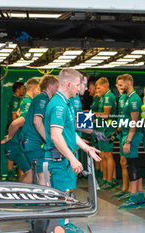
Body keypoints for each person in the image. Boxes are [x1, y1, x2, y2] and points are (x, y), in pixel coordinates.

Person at [44, 68, 101, 233]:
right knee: (60, 205)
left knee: (65, 200)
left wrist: (86, 147)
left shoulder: (66, 103)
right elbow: (56, 136)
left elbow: (70, 132)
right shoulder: (58, 105)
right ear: (68, 84)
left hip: (64, 163)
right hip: (59, 163)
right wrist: (72, 158)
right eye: (77, 85)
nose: (79, 89)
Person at [117, 74, 145, 209]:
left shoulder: (134, 99)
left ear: (128, 83)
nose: (119, 87)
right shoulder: (129, 98)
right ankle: (140, 196)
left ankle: (133, 198)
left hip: (132, 136)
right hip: (127, 134)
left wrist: (128, 141)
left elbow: (134, 122)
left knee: (132, 166)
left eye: (121, 84)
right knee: (134, 164)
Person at [22, 75, 59, 185]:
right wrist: (49, 140)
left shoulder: (43, 99)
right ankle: (45, 200)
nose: (58, 90)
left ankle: (21, 198)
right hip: (33, 143)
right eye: (56, 87)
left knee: (34, 174)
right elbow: (37, 121)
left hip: (31, 142)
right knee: (43, 174)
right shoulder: (42, 98)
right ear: (50, 86)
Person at [2, 79, 40, 182]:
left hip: (18, 144)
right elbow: (15, 123)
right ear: (33, 89)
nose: (39, 92)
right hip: (15, 145)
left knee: (27, 172)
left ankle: (21, 194)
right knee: (29, 173)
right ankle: (22, 195)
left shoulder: (24, 101)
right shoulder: (28, 103)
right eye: (38, 90)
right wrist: (10, 136)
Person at [94, 77, 119, 191]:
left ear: (105, 86)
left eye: (99, 88)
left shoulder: (109, 96)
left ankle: (109, 180)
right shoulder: (103, 97)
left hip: (108, 130)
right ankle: (107, 179)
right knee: (103, 155)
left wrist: (93, 114)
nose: (97, 90)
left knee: (107, 155)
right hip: (102, 129)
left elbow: (106, 115)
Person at [111, 76, 130, 200]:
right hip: (122, 133)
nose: (118, 87)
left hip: (128, 134)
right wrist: (117, 131)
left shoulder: (129, 98)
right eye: (117, 85)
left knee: (128, 163)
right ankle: (125, 189)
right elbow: (122, 117)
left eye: (120, 84)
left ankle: (129, 191)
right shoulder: (122, 98)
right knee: (123, 162)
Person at [5, 81, 25, 180]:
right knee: (13, 150)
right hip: (14, 130)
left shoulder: (15, 99)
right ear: (17, 89)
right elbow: (14, 118)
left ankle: (12, 173)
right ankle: (10, 174)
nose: (24, 90)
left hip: (13, 129)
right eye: (22, 88)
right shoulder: (16, 100)